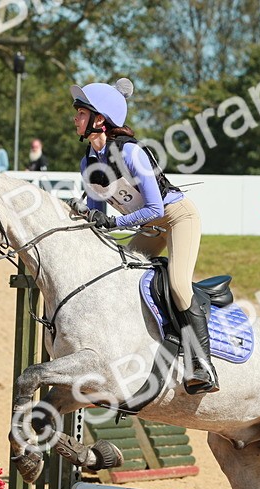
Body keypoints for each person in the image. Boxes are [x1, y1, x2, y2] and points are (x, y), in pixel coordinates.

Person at [69, 78, 217, 394]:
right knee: (117, 275)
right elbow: (100, 218)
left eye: (80, 113)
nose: (75, 118)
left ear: (99, 120)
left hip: (177, 218)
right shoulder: (88, 163)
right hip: (149, 227)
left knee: (178, 285)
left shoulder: (132, 153)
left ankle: (202, 364)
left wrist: (113, 224)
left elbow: (154, 207)